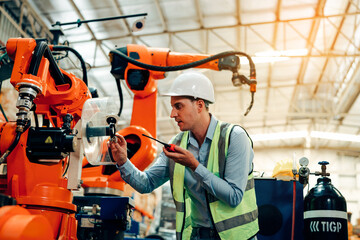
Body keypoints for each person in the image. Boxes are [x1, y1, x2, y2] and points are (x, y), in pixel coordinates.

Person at [109, 71, 259, 240]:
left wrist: (194, 165)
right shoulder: (177, 144)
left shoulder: (234, 137)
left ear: (200, 105)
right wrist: (123, 161)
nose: (172, 114)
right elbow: (147, 183)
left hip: (237, 236)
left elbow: (234, 196)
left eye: (178, 106)